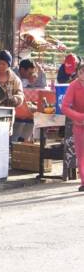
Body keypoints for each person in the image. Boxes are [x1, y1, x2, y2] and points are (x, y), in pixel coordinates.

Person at [61, 64, 84, 192]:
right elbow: (64, 107)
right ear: (77, 73)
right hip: (79, 124)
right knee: (81, 155)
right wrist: (79, 117)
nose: (83, 75)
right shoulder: (73, 86)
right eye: (81, 72)